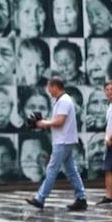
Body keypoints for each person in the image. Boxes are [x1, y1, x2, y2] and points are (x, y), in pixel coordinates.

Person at [25, 76, 88, 211]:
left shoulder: (64, 100)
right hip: (64, 140)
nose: (48, 91)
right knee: (71, 171)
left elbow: (59, 122)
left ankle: (40, 198)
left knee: (52, 169)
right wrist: (44, 121)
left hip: (63, 141)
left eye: (49, 87)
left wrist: (42, 123)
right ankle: (81, 198)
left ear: (54, 87)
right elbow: (58, 120)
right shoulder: (61, 100)